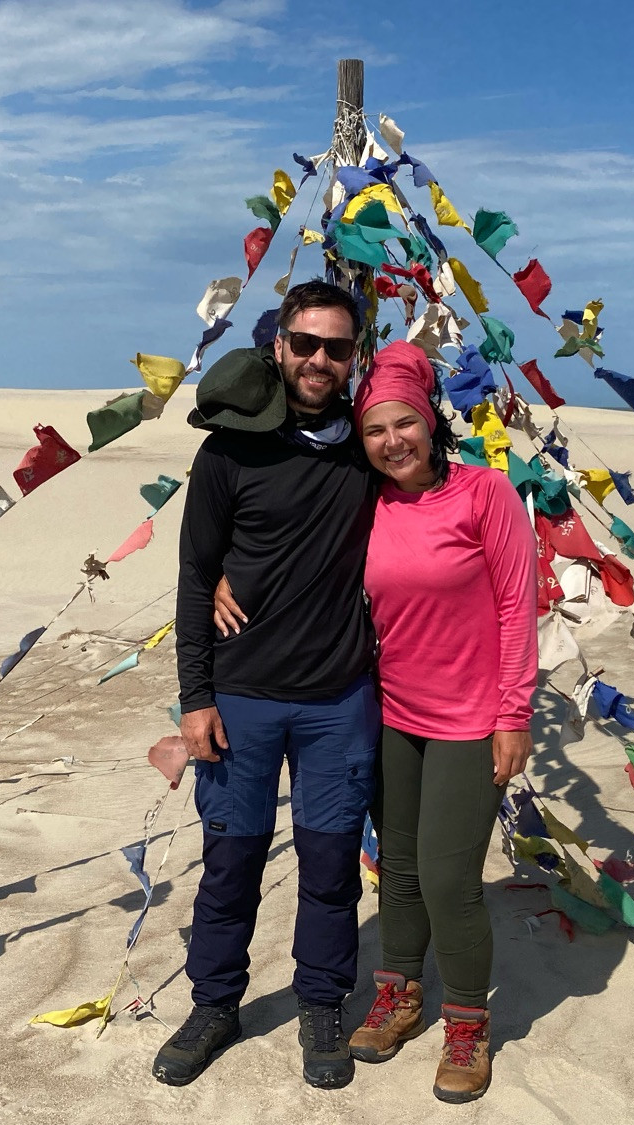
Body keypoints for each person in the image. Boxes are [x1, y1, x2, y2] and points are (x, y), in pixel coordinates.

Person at [215, 340, 538, 1103]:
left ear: (429, 423)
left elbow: (515, 605)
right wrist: (227, 575)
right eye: (374, 429)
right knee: (396, 866)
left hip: (471, 719)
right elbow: (297, 547)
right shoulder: (369, 501)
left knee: (448, 876)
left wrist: (513, 712)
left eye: (403, 423)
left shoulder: (484, 492)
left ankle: (467, 1023)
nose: (392, 440)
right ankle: (398, 992)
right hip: (390, 712)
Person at [153, 280, 381, 1091]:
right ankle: (214, 1004)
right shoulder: (227, 452)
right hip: (240, 698)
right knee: (230, 864)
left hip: (338, 700)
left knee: (330, 869)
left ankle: (321, 1004)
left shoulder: (368, 449)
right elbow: (194, 576)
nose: (319, 359)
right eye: (305, 343)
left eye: (336, 347)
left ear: (355, 356)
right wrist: (194, 698)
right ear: (277, 346)